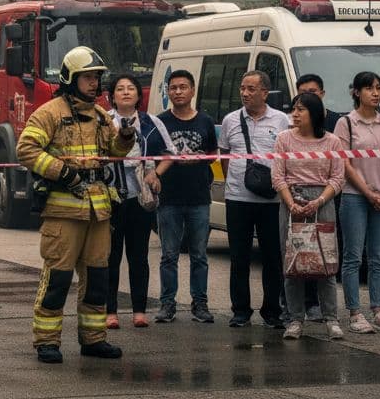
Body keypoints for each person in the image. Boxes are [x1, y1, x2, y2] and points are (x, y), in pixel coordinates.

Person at [18, 47, 135, 364]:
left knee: (98, 280)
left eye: (97, 77)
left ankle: (94, 339)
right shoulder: (50, 113)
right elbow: (26, 149)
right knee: (57, 280)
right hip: (63, 211)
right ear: (71, 78)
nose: (95, 83)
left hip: (99, 212)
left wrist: (125, 137)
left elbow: (116, 152)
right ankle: (46, 341)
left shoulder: (100, 116)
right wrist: (62, 172)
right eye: (88, 77)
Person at [145, 69, 219, 325]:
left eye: (183, 87)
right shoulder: (160, 122)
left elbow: (214, 153)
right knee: (169, 255)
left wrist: (200, 157)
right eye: (173, 87)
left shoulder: (206, 121)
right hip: (169, 198)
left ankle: (200, 304)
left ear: (192, 90)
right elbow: (152, 157)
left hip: (199, 197)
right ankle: (167, 304)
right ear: (168, 92)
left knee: (199, 255)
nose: (177, 92)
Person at [218, 69, 290, 328]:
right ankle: (240, 310)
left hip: (271, 200)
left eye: (251, 89)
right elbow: (224, 154)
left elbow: (287, 155)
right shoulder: (230, 120)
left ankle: (272, 311)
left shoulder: (282, 120)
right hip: (238, 198)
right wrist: (235, 182)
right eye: (242, 88)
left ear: (265, 92)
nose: (245, 93)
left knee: (272, 257)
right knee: (239, 257)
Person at [272, 92, 346, 341]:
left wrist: (319, 201)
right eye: (293, 109)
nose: (295, 113)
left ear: (314, 113)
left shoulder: (333, 142)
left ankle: (331, 319)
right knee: (291, 264)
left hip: (322, 202)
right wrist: (291, 203)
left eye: (301, 109)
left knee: (325, 262)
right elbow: (278, 176)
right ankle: (295, 319)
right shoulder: (283, 139)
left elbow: (337, 178)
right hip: (291, 201)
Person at [335, 72, 380, 334]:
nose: (375, 93)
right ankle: (354, 312)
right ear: (356, 92)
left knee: (378, 257)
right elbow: (345, 163)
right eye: (369, 88)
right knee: (353, 257)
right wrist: (368, 193)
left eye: (378, 88)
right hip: (355, 197)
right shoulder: (346, 123)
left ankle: (378, 309)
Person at [104, 73, 170, 330]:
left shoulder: (151, 122)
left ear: (138, 95)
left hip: (140, 200)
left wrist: (156, 173)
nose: (126, 92)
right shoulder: (104, 121)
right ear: (112, 96)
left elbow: (169, 154)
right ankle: (110, 312)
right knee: (110, 257)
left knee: (138, 256)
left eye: (131, 88)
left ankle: (139, 311)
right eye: (120, 89)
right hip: (111, 198)